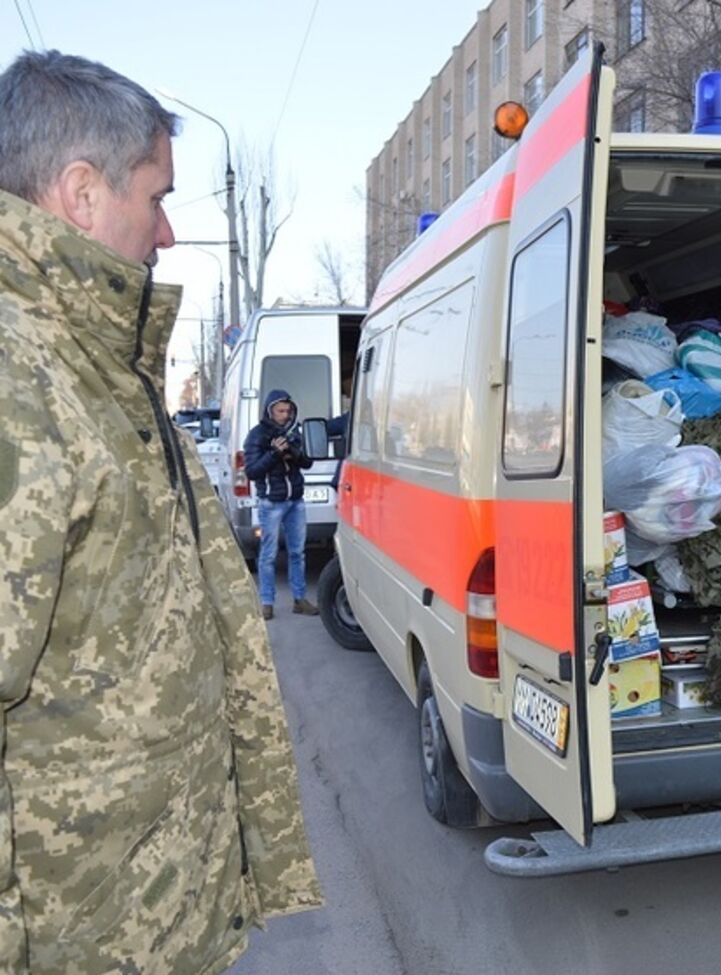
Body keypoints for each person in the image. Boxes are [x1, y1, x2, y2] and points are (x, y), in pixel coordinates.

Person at [0, 51, 320, 974]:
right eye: (158, 195)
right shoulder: (23, 379)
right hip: (81, 936)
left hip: (144, 915)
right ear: (82, 193)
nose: (171, 230)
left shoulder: (97, 363)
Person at [243, 390, 318, 619]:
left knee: (298, 553)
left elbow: (307, 462)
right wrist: (275, 453)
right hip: (271, 503)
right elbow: (252, 471)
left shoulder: (294, 433)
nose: (285, 415)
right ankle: (267, 603)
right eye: (280, 411)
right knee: (268, 555)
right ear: (270, 411)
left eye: (288, 411)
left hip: (295, 501)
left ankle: (299, 599)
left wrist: (292, 452)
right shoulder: (256, 436)